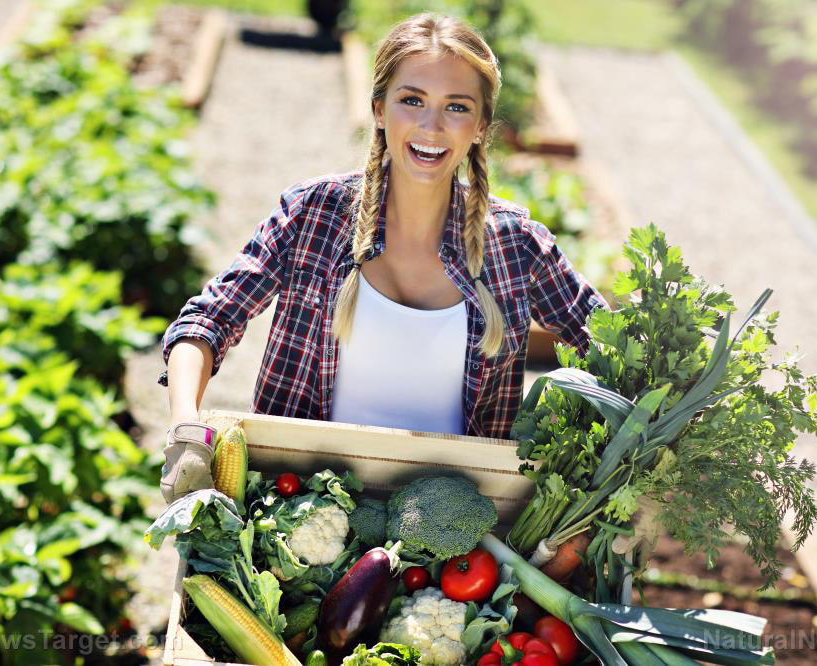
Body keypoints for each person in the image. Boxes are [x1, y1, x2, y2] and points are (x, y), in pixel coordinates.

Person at [158, 13, 610, 504]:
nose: (431, 126)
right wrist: (186, 428)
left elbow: (613, 348)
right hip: (298, 510)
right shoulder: (315, 214)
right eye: (412, 100)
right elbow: (208, 320)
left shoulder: (516, 245)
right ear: (379, 109)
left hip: (454, 533)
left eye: (456, 107)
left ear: (480, 126)